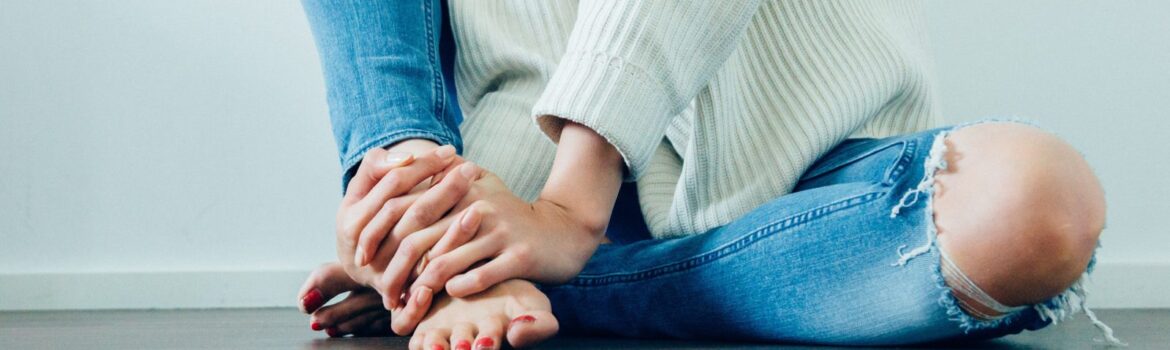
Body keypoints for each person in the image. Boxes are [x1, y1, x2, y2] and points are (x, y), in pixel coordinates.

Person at [297, 1, 1120, 349]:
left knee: (1037, 203)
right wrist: (413, 188)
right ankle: (425, 225)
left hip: (813, 169)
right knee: (406, 170)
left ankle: (513, 276)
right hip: (504, 171)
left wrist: (566, 210)